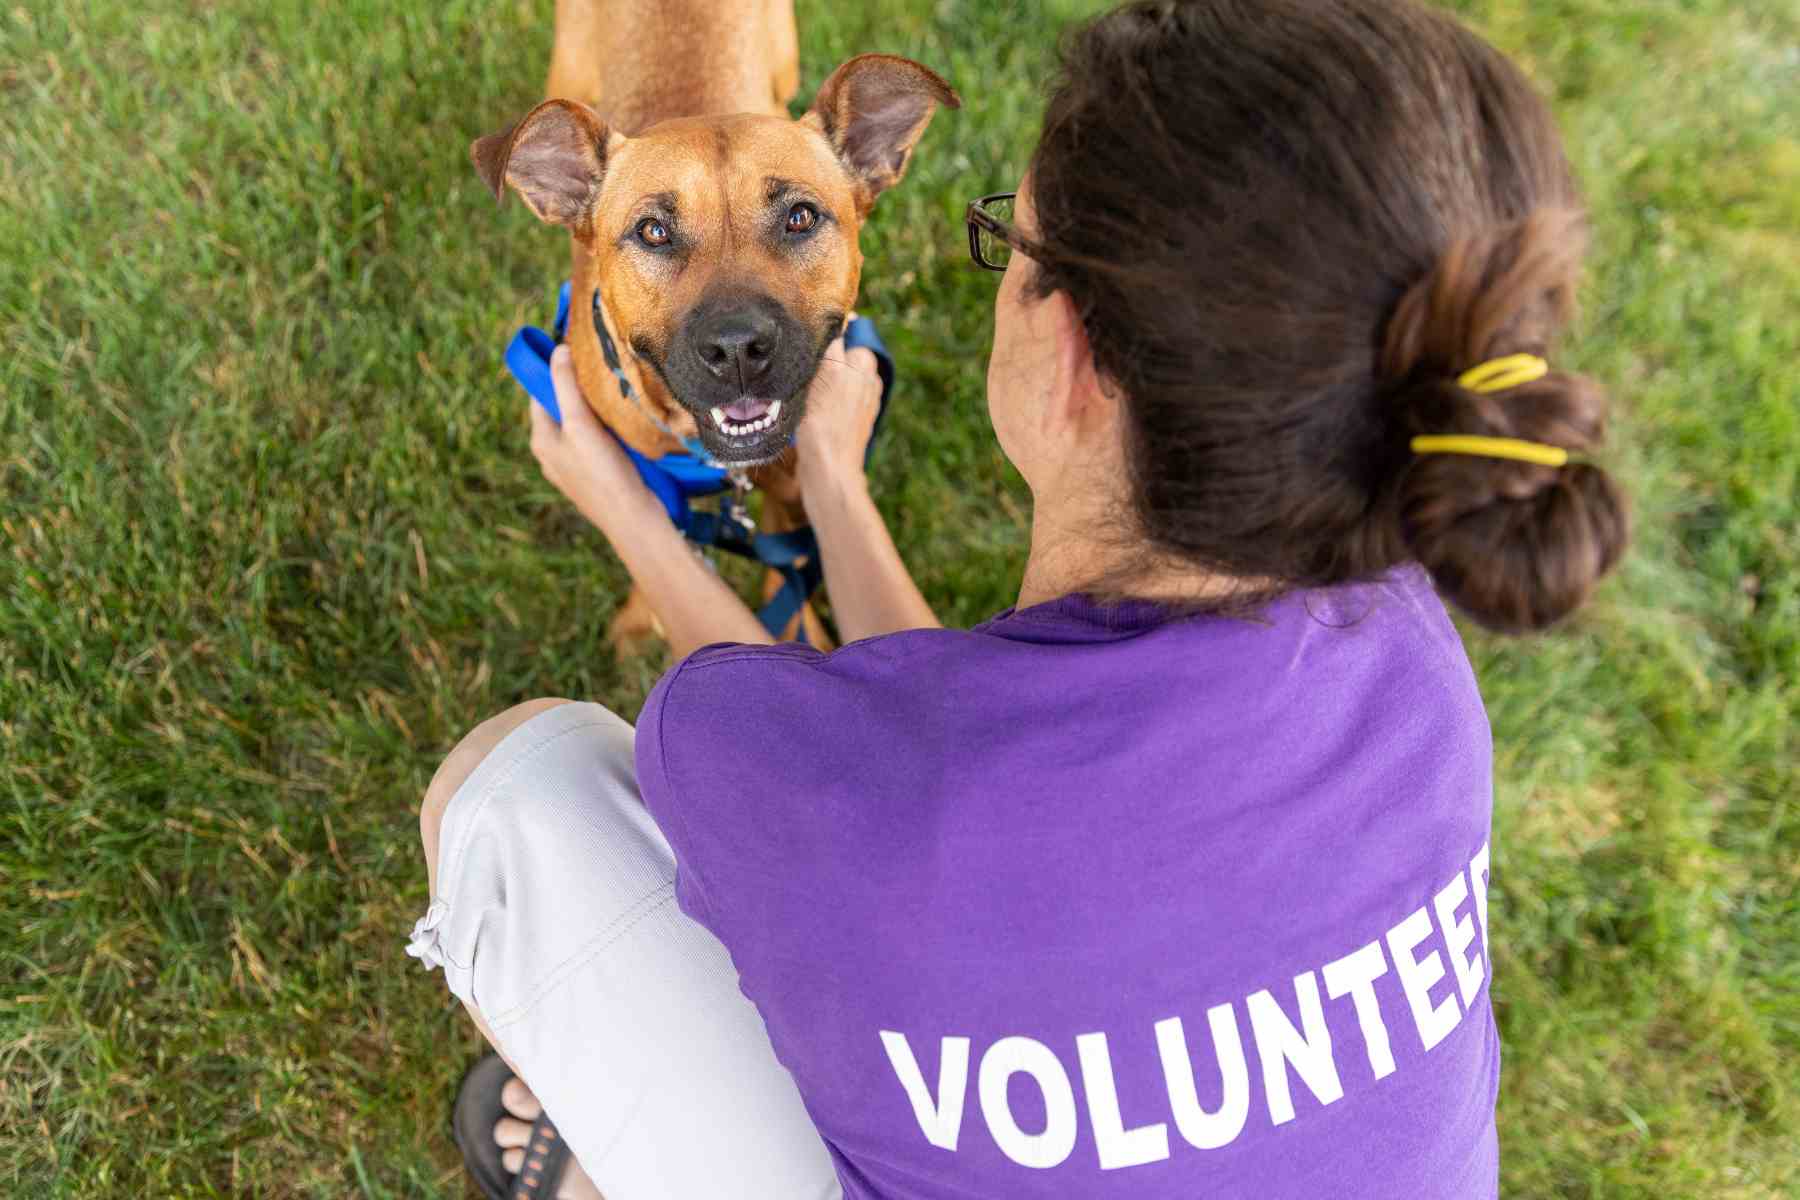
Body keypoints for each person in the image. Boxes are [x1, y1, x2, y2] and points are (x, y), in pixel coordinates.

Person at [407, 0, 1629, 1195]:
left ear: (1079, 357)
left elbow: (831, 736)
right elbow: (930, 728)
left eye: (1012, 244)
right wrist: (830, 479)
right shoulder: (1415, 657)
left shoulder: (806, 777)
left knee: (522, 787)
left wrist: (623, 507)